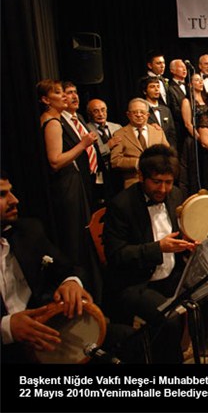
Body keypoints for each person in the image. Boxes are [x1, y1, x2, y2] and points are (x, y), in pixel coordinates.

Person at [103, 145, 196, 363]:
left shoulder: (176, 195)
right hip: (136, 282)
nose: (163, 189)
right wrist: (158, 248)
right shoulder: (121, 205)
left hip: (171, 275)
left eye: (168, 182)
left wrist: (189, 240)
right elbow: (116, 255)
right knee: (170, 319)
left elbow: (180, 230)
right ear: (141, 176)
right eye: (156, 182)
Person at [1, 171, 93, 363]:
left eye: (11, 192)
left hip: (47, 330)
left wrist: (71, 282)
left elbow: (70, 267)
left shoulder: (28, 230)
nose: (15, 200)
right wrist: (6, 328)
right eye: (2, 195)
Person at [38, 79, 102, 300]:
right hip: (66, 184)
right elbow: (55, 161)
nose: (64, 96)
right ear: (46, 100)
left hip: (71, 183)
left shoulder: (54, 120)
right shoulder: (53, 123)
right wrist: (83, 144)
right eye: (58, 93)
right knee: (75, 238)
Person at [111, 98, 169, 189]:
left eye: (142, 112)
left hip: (158, 182)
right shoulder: (120, 134)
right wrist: (137, 162)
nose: (138, 115)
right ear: (128, 115)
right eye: (135, 112)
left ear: (147, 115)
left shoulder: (158, 132)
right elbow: (115, 161)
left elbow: (168, 155)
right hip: (132, 183)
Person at [86, 98, 123, 203]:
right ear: (90, 114)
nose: (100, 114)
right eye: (96, 111)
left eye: (103, 110)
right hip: (100, 176)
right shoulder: (86, 129)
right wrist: (108, 146)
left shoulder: (117, 127)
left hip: (118, 173)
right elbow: (90, 153)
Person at [141, 76, 178, 151]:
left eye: (158, 86)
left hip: (166, 151)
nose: (156, 89)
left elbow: (172, 133)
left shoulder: (166, 110)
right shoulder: (141, 110)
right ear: (145, 91)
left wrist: (171, 150)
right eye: (152, 87)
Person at [167, 59, 190, 153]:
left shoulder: (189, 85)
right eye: (181, 67)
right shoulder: (170, 88)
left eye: (185, 68)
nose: (184, 70)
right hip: (180, 128)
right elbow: (174, 109)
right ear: (172, 70)